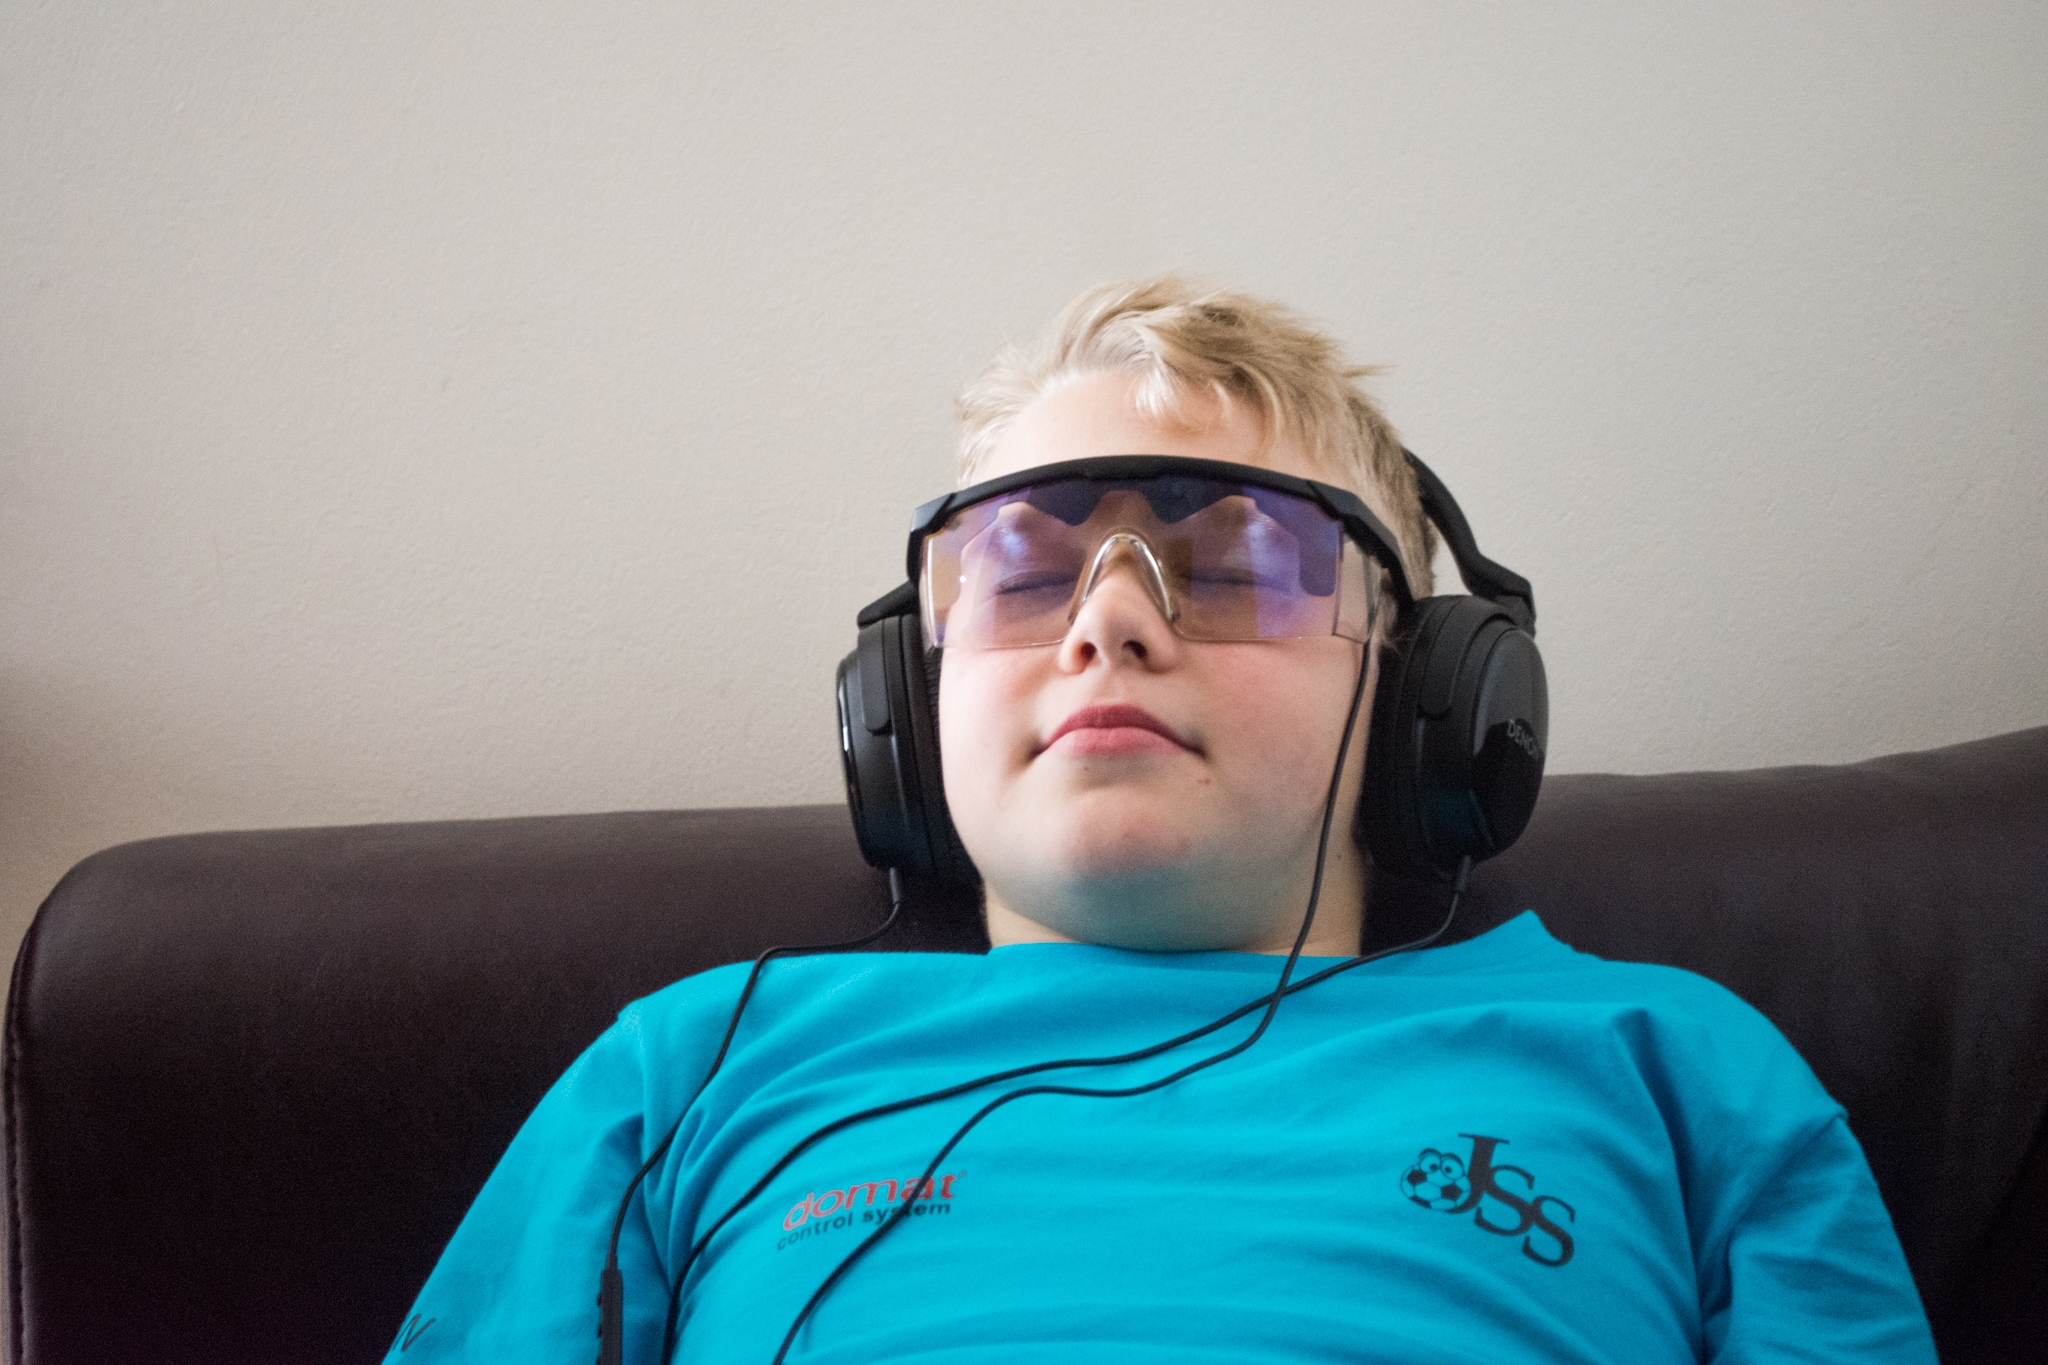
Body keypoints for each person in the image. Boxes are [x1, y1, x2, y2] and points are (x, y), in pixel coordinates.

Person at [384, 278, 1936, 1363]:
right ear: (904, 702)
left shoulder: (1676, 1068)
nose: (1106, 624)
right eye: (1024, 571)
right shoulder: (689, 1067)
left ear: (1423, 697)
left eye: (1235, 561)